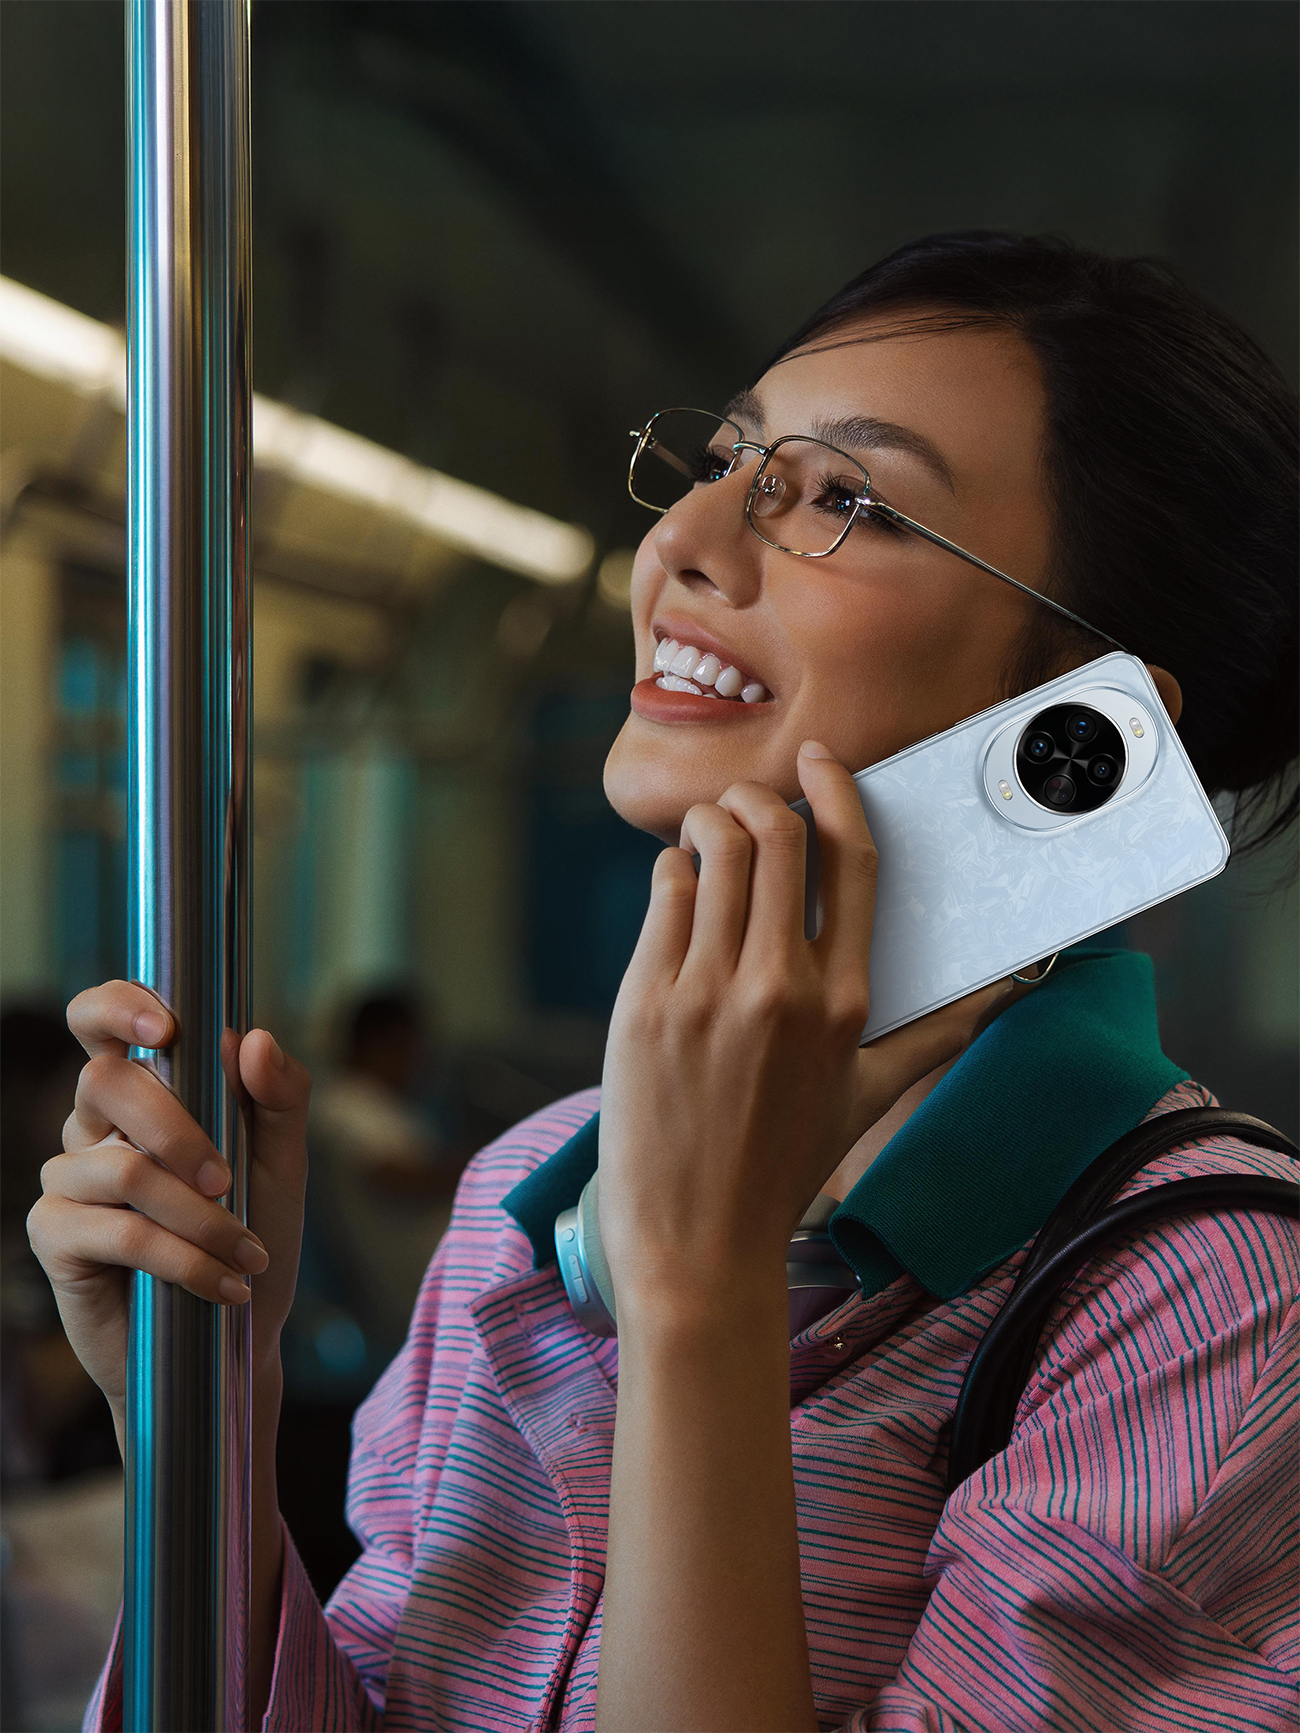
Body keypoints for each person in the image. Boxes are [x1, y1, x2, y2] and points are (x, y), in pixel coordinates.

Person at [29, 232, 1298, 1732]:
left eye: (845, 500)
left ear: (1086, 729)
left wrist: (699, 1296)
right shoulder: (531, 1196)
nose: (684, 538)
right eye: (728, 462)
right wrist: (199, 1422)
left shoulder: (1215, 1308)